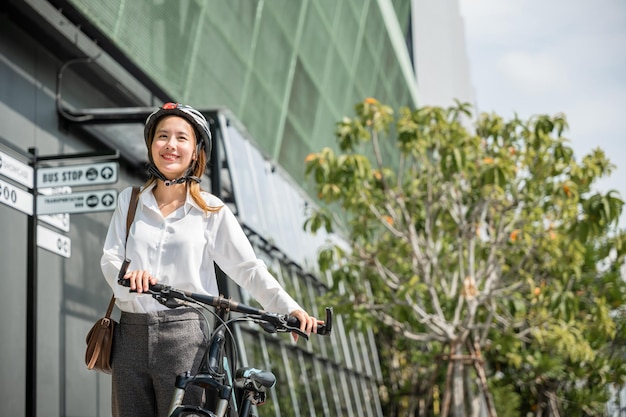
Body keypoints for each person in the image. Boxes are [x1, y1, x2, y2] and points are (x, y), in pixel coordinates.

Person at [100, 102, 319, 417]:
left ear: (195, 152)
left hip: (184, 337)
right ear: (151, 145)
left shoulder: (210, 211)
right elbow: (110, 258)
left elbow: (248, 269)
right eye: (162, 136)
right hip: (129, 335)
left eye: (181, 138)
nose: (170, 145)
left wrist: (289, 309)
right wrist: (130, 273)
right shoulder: (130, 201)